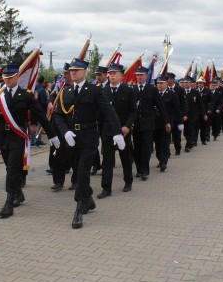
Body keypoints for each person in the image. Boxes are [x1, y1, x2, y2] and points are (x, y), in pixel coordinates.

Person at [0, 62, 59, 218]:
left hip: (18, 136)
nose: (7, 81)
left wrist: (52, 135)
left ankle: (9, 203)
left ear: (17, 77)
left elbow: (40, 115)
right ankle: (19, 193)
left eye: (10, 78)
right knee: (10, 168)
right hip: (3, 137)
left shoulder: (27, 95)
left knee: (12, 169)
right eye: (5, 78)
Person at [53, 58, 124, 229]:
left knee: (82, 174)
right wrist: (65, 131)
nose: (73, 73)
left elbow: (108, 111)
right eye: (71, 70)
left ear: (85, 72)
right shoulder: (66, 91)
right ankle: (88, 199)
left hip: (89, 138)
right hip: (72, 139)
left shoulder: (94, 90)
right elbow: (58, 115)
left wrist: (117, 132)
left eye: (77, 70)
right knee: (79, 172)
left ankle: (78, 210)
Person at [98, 63, 136, 198]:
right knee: (107, 160)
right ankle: (106, 188)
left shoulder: (128, 91)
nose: (112, 75)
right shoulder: (103, 91)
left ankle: (128, 181)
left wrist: (127, 126)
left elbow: (133, 111)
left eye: (114, 73)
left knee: (125, 157)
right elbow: (100, 113)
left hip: (123, 130)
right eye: (110, 73)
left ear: (121, 75)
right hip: (107, 131)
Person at [132, 66, 168, 180]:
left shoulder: (152, 89)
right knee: (137, 147)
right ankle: (138, 169)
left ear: (146, 76)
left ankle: (145, 171)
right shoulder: (131, 89)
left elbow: (160, 106)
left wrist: (166, 121)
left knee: (146, 147)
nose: (139, 77)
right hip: (136, 123)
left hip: (148, 123)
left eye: (141, 75)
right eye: (137, 75)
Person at [154, 76, 183, 172]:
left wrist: (180, 122)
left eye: (161, 83)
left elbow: (177, 109)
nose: (159, 85)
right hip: (155, 123)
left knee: (165, 143)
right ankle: (160, 159)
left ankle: (164, 162)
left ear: (166, 83)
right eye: (158, 83)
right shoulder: (154, 94)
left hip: (167, 124)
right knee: (157, 144)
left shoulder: (171, 94)